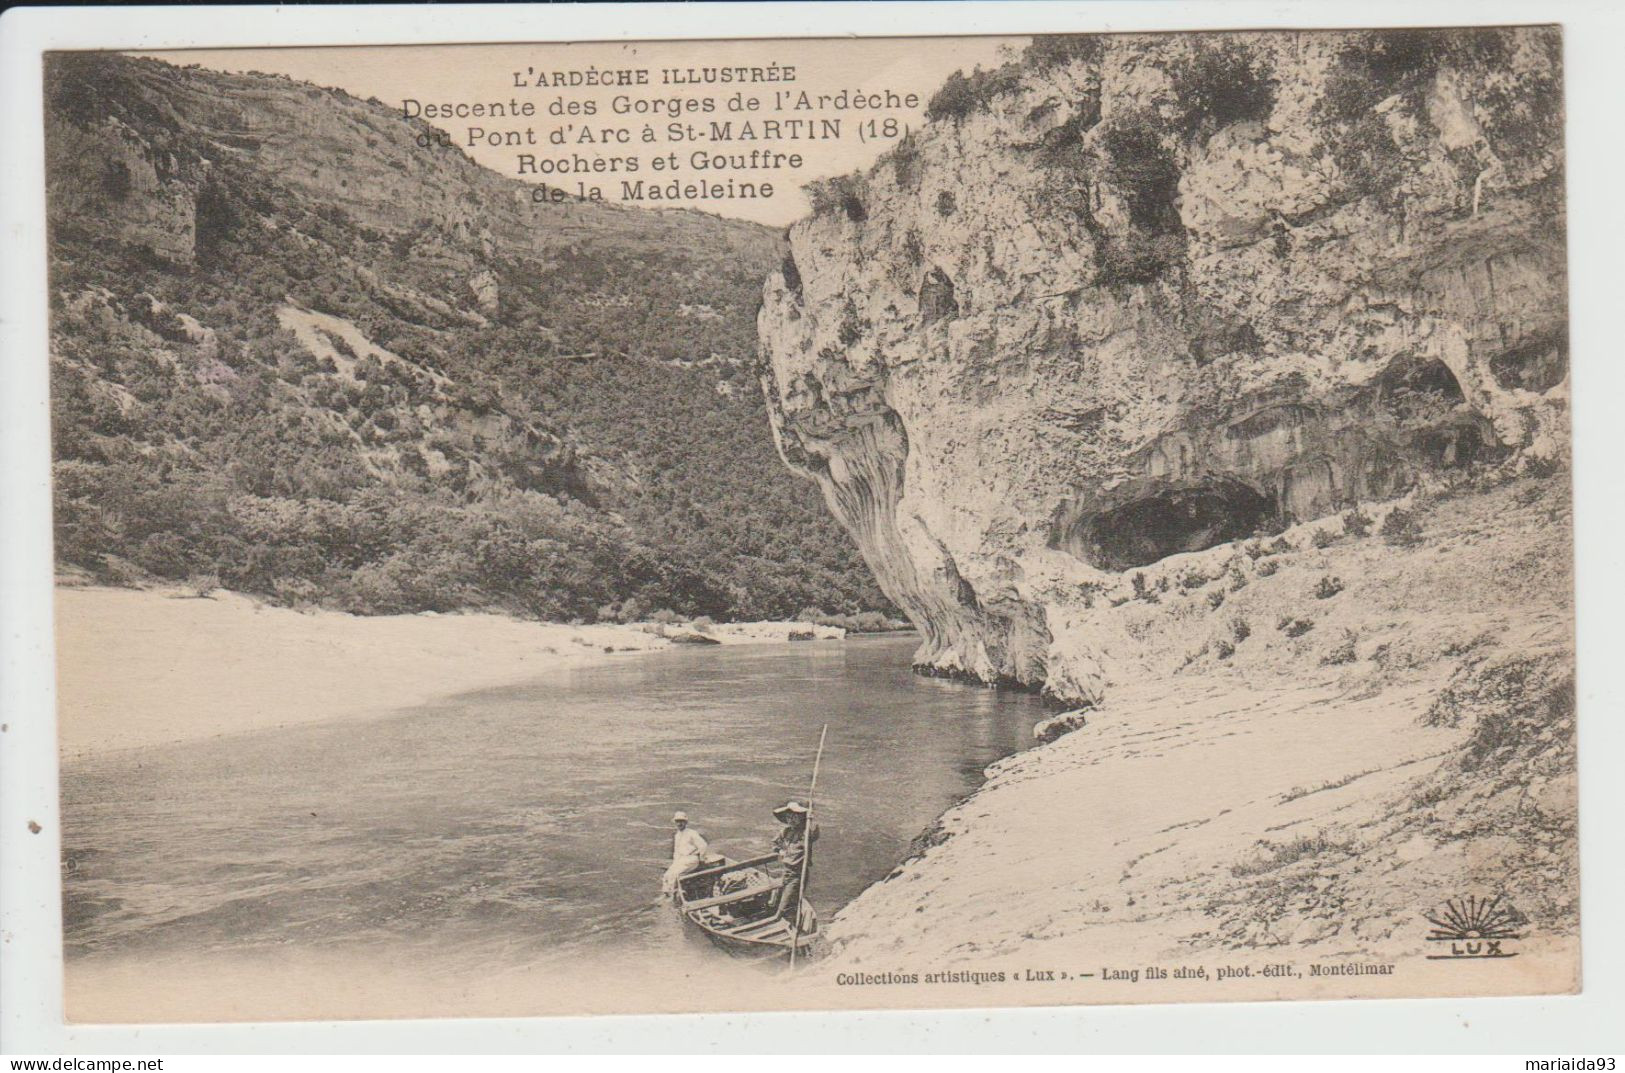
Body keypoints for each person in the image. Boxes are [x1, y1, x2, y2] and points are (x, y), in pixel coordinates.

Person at [770, 800, 819, 924]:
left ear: (800, 818)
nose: (791, 820)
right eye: (788, 817)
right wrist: (779, 850)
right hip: (786, 872)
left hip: (798, 874)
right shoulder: (785, 831)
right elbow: (775, 843)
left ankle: (781, 920)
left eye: (794, 817)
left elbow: (815, 833)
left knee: (785, 905)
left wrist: (811, 819)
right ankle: (787, 920)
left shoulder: (806, 833)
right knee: (779, 899)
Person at [661, 811, 709, 896]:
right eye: (677, 821)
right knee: (666, 876)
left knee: (675, 875)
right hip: (681, 860)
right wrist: (675, 863)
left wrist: (701, 858)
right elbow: (677, 851)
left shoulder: (691, 833)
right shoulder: (677, 835)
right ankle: (667, 895)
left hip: (691, 859)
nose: (679, 824)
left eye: (681, 821)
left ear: (685, 822)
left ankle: (674, 896)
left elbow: (703, 845)